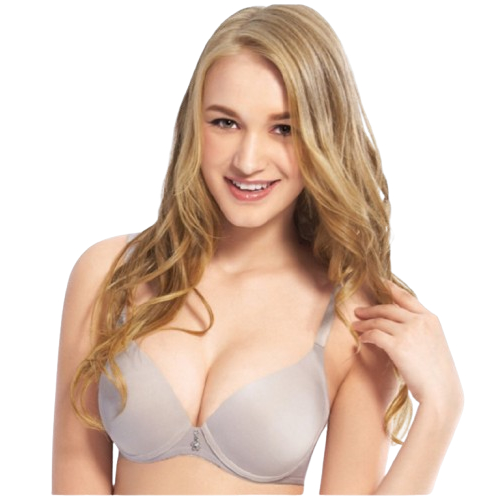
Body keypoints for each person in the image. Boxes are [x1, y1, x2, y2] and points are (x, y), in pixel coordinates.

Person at [52, 4, 463, 495]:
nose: (247, 161)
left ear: (324, 137)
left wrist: (442, 409)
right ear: (194, 124)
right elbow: (74, 479)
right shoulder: (109, 274)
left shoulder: (353, 319)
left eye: (283, 128)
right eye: (225, 122)